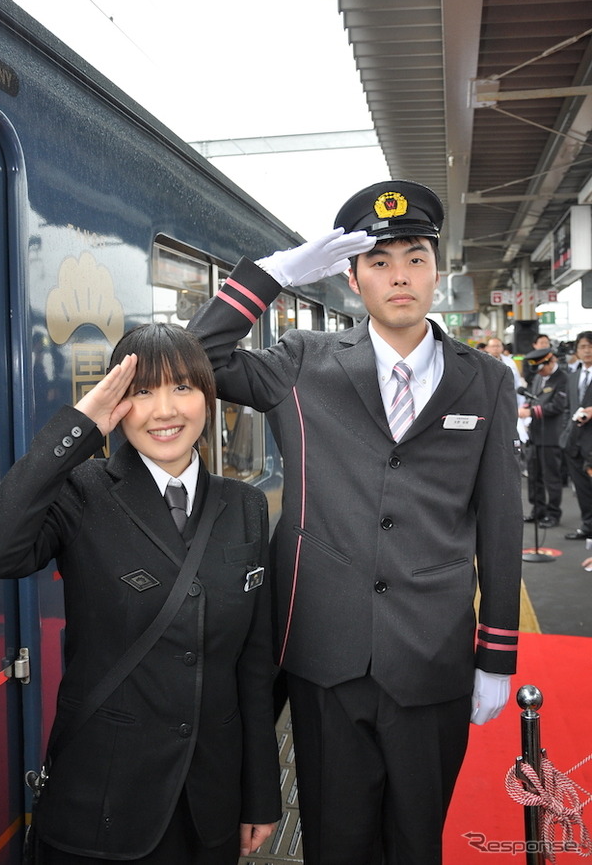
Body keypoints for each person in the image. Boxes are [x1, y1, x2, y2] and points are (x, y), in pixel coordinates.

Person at [188, 180, 523, 865]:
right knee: (336, 843)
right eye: (379, 260)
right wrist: (272, 275)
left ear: (439, 270)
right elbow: (197, 360)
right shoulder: (305, 363)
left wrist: (497, 653)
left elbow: (500, 520)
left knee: (418, 843)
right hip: (325, 657)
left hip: (434, 659)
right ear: (351, 277)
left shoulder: (485, 380)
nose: (399, 274)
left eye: (415, 257)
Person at [0, 323, 280, 864]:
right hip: (104, 800)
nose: (165, 411)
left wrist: (260, 793)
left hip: (212, 804)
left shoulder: (245, 506)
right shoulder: (83, 492)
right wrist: (78, 428)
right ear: (117, 403)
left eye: (183, 387)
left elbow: (253, 666)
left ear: (209, 397)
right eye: (142, 391)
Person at [518, 347, 567, 528]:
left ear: (551, 361)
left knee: (551, 477)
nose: (540, 372)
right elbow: (532, 397)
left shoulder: (562, 379)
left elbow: (557, 406)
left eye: (542, 368)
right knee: (534, 476)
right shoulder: (538, 378)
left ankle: (553, 513)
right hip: (535, 434)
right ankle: (537, 510)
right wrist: (526, 406)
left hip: (551, 435)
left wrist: (530, 411)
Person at [560, 330, 592, 541]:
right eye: (583, 347)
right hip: (573, 441)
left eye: (590, 346)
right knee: (581, 489)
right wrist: (565, 435)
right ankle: (588, 526)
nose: (587, 350)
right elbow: (567, 408)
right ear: (577, 351)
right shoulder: (572, 377)